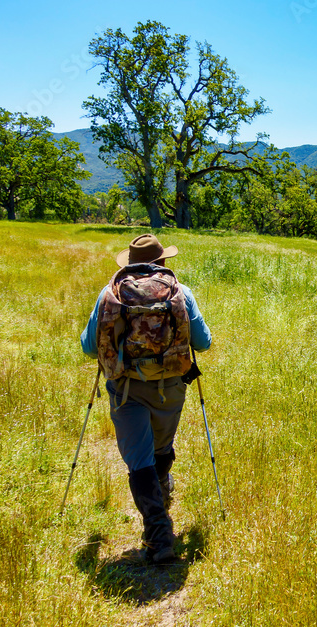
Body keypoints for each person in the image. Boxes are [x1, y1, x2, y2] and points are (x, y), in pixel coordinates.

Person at [80, 234, 212, 564]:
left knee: (139, 460)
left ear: (130, 263)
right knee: (161, 449)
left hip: (126, 390)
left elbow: (87, 346)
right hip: (171, 387)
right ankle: (162, 501)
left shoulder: (110, 293)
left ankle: (158, 535)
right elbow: (204, 342)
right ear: (163, 262)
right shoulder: (182, 292)